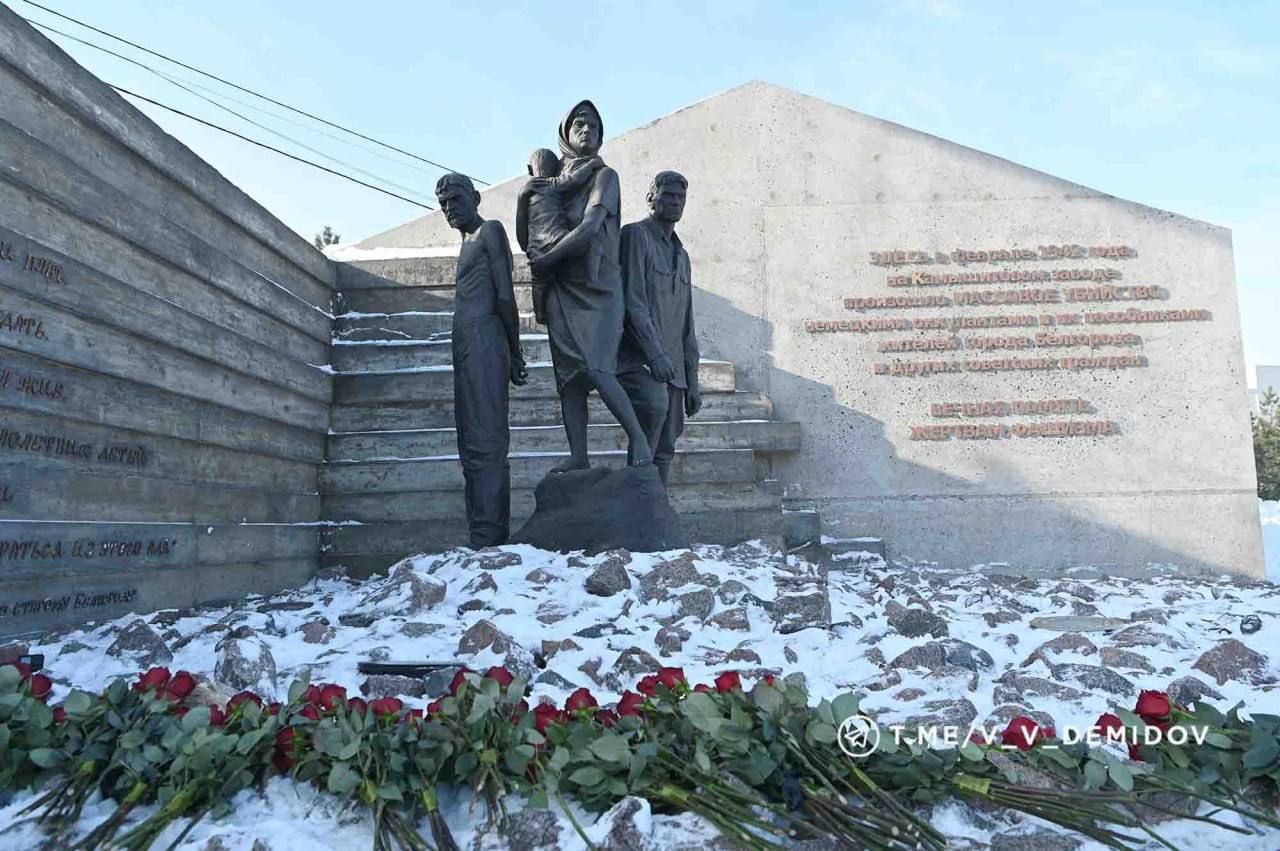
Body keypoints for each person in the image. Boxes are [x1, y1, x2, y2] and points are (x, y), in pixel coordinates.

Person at [525, 100, 653, 470]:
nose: (587, 130)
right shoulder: (547, 183)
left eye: (594, 126)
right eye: (580, 124)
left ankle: (639, 439)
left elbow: (591, 227)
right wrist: (524, 197)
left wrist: (548, 260)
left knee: (598, 368)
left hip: (597, 289)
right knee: (570, 380)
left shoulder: (604, 176)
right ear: (565, 134)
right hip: (562, 288)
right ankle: (578, 456)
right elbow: (528, 235)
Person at [435, 173, 527, 547]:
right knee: (471, 439)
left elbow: (505, 296)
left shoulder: (491, 230)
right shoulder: (465, 243)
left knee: (486, 438)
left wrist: (516, 350)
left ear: (475, 197)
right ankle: (481, 533)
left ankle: (491, 535)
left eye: (455, 199)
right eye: (442, 204)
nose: (449, 209)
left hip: (486, 340)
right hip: (467, 345)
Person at [618, 171, 702, 486]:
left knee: (666, 447)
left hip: (675, 369)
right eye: (667, 195)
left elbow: (687, 323)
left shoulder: (682, 256)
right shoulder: (635, 236)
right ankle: (636, 516)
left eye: (680, 198)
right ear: (652, 197)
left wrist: (692, 380)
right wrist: (654, 355)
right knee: (650, 423)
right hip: (640, 360)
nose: (675, 203)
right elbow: (633, 302)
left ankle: (656, 518)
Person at [515, 147, 603, 325]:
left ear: (529, 169)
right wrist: (593, 163)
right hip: (557, 238)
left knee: (538, 280)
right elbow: (573, 180)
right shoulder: (551, 184)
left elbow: (522, 235)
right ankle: (592, 281)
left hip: (536, 246)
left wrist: (522, 197)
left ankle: (540, 312)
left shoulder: (528, 192)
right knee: (590, 244)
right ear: (556, 168)